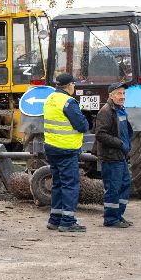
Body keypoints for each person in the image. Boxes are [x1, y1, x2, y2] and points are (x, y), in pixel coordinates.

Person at [41, 72, 90, 233]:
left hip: (51, 148)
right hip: (67, 149)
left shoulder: (50, 99)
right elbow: (82, 126)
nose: (74, 87)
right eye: (73, 84)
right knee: (70, 185)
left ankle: (55, 219)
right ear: (69, 86)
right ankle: (68, 221)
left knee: (58, 183)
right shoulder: (69, 102)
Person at [93, 81, 132, 228]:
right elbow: (100, 134)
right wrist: (120, 144)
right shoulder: (106, 111)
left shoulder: (121, 110)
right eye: (119, 93)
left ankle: (118, 216)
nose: (122, 96)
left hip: (120, 156)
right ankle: (110, 219)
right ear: (111, 95)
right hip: (111, 156)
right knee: (113, 188)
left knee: (125, 185)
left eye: (123, 93)